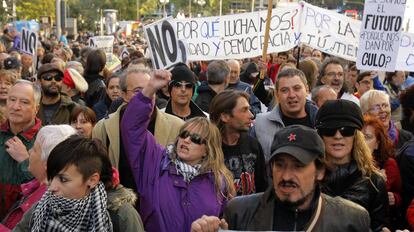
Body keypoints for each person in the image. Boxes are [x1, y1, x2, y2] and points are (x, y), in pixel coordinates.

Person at [191, 125, 371, 232]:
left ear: (320, 171)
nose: (286, 176)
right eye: (280, 164)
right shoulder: (240, 211)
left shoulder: (350, 219)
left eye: (298, 166)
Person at [121, 69, 235, 231]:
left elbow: (226, 220)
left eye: (195, 139)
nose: (186, 140)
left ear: (207, 150)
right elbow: (131, 128)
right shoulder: (155, 164)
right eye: (184, 134)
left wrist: (223, 226)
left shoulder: (219, 182)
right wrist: (149, 90)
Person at [93, 68, 183, 196]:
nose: (147, 94)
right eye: (138, 91)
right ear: (123, 94)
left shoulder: (177, 127)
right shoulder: (102, 128)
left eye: (151, 89)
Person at [13, 136, 114, 231]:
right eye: (51, 176)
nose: (51, 187)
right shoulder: (41, 207)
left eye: (63, 179)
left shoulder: (116, 214)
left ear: (92, 180)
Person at [316, 99, 388, 232]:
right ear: (320, 135)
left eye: (346, 130)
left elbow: (378, 227)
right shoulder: (307, 177)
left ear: (356, 136)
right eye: (330, 130)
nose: (338, 136)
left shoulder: (374, 182)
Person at [0, 125, 77, 231]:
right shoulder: (36, 187)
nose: (29, 152)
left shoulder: (49, 201)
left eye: (35, 149)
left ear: (47, 163)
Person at [209, 90, 267, 195]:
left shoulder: (253, 145)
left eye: (249, 109)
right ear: (225, 116)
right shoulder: (208, 149)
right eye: (244, 110)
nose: (251, 115)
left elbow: (262, 188)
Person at [254, 68, 318, 160]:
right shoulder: (260, 124)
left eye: (297, 88)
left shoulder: (320, 123)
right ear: (277, 94)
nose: (291, 95)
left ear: (307, 90)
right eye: (284, 90)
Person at [0, 80, 42, 220]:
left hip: (26, 222)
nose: (15, 107)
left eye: (24, 102)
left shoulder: (46, 140)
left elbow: (48, 187)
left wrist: (25, 161)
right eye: (12, 100)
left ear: (36, 108)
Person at [363, 115, 403, 229]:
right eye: (359, 137)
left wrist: (394, 198)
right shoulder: (346, 162)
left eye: (368, 137)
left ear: (377, 143)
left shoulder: (389, 164)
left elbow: (400, 193)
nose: (362, 142)